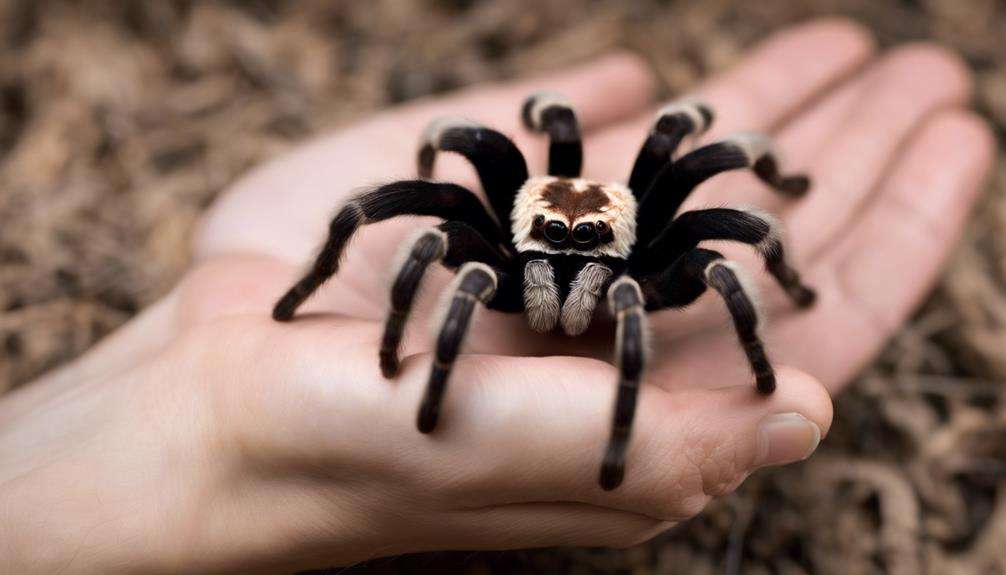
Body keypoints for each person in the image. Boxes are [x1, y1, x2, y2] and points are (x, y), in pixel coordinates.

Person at [0, 18, 993, 574]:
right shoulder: (491, 248)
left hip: (627, 257)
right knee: (431, 224)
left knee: (735, 231)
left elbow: (727, 191)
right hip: (516, 245)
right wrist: (375, 336)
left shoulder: (644, 263)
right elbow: (459, 170)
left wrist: (782, 289)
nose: (564, 294)